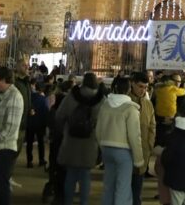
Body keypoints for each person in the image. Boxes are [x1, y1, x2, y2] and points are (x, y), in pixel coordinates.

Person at [96, 77, 145, 205]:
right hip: (124, 152)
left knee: (108, 187)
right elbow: (135, 136)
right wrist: (139, 159)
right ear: (129, 89)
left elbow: (98, 130)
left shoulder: (105, 105)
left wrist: (103, 147)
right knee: (123, 189)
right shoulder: (130, 109)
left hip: (107, 150)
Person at [58, 72, 106, 205]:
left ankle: (68, 202)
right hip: (90, 141)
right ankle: (83, 203)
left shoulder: (72, 96)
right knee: (85, 175)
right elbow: (105, 122)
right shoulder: (101, 99)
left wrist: (64, 129)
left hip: (71, 139)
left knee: (71, 174)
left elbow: (60, 115)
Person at [0, 66, 25, 205]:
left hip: (4, 149)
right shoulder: (2, 95)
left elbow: (9, 129)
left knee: (0, 186)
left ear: (3, 80)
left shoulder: (14, 97)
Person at [129, 72, 156, 203]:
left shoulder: (148, 104)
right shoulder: (125, 101)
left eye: (146, 87)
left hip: (143, 151)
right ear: (132, 84)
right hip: (127, 151)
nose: (143, 90)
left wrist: (150, 144)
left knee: (137, 187)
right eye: (140, 86)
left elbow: (153, 126)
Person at [27, 79, 50, 169]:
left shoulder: (29, 97)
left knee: (29, 143)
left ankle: (29, 161)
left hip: (30, 123)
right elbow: (46, 112)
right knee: (41, 143)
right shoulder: (43, 99)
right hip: (40, 124)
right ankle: (41, 159)